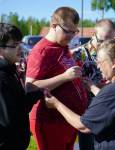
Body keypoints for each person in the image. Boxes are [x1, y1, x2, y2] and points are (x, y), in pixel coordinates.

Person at [45, 39, 115, 150]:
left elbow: (83, 126)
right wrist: (92, 88)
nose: (98, 67)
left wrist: (56, 104)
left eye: (100, 62)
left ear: (113, 63)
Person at [25, 7, 88, 150]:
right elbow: (30, 87)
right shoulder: (41, 51)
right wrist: (65, 77)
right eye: (67, 31)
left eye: (74, 32)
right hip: (50, 122)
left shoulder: (63, 47)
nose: (71, 36)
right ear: (53, 26)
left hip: (67, 121)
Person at [71, 19, 115, 150]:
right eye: (102, 41)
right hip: (89, 113)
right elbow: (74, 86)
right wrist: (97, 87)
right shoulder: (78, 55)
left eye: (111, 41)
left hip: (111, 110)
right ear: (93, 34)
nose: (106, 45)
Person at [0, 23, 44, 150]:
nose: (21, 48)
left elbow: (17, 103)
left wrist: (38, 93)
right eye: (14, 45)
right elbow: (9, 118)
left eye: (20, 43)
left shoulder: (10, 70)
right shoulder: (2, 77)